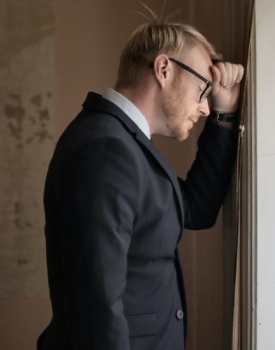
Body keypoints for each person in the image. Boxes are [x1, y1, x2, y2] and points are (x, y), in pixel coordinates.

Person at [37, 15, 244, 350]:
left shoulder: (123, 144)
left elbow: (196, 209)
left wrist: (224, 117)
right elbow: (96, 305)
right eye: (202, 89)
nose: (205, 107)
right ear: (164, 69)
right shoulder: (105, 148)